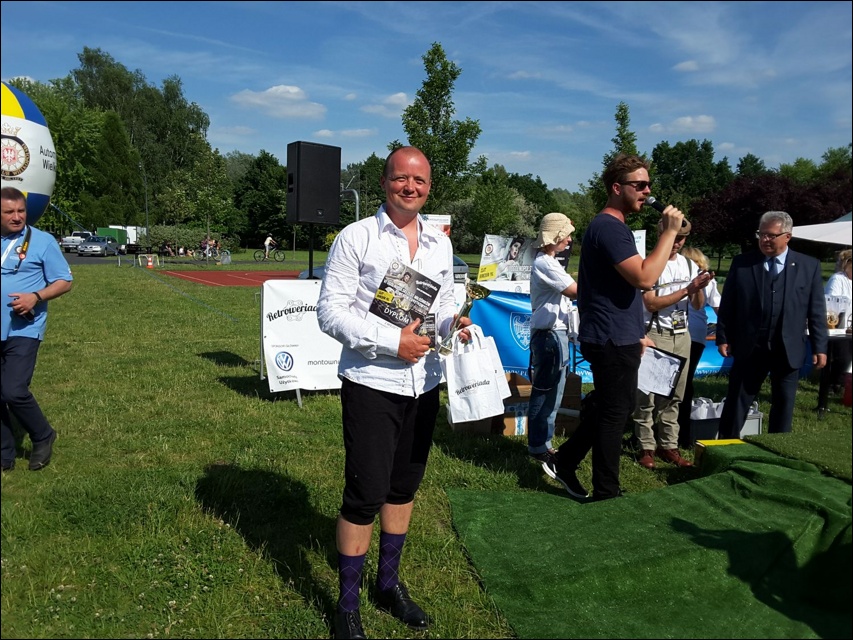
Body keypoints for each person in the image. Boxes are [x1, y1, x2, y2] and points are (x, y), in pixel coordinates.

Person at [316, 146, 471, 640]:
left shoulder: (439, 244)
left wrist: (452, 324)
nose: (410, 187)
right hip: (372, 382)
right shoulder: (357, 237)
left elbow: (443, 303)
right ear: (384, 182)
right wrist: (391, 342)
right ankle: (347, 607)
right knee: (365, 495)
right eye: (401, 178)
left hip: (424, 382)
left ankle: (387, 584)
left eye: (419, 181)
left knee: (403, 488)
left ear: (429, 187)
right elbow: (330, 313)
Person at [552, 153, 690, 502]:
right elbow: (645, 278)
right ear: (617, 188)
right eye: (639, 185)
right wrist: (669, 232)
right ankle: (606, 492)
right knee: (615, 413)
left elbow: (621, 288)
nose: (647, 191)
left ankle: (565, 461)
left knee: (613, 406)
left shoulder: (614, 227)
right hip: (610, 337)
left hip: (620, 334)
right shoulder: (609, 227)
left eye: (648, 185)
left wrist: (636, 334)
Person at [716, 211, 828, 438]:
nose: (765, 240)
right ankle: (726, 446)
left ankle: (777, 450)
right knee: (737, 402)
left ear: (787, 236)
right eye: (761, 234)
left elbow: (816, 310)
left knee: (784, 405)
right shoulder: (743, 263)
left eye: (771, 235)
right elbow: (728, 304)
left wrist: (820, 347)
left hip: (788, 348)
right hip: (750, 346)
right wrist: (723, 336)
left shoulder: (809, 266)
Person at [1, 187, 73, 472]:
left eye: (21, 211)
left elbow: (64, 281)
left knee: (12, 390)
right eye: (9, 212)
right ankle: (5, 455)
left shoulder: (41, 241)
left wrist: (36, 296)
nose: (17, 217)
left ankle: (43, 435)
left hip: (23, 328)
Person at [632, 219, 711, 469]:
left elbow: (698, 305)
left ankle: (669, 445)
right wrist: (687, 290)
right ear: (660, 234)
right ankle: (645, 446)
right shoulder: (651, 264)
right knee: (647, 395)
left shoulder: (688, 265)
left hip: (682, 335)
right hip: (655, 333)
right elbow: (650, 303)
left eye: (681, 239)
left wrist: (698, 288)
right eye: (673, 237)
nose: (676, 243)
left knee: (675, 395)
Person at [526, 212, 577, 478]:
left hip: (554, 334)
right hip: (550, 335)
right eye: (566, 235)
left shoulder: (549, 261)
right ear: (555, 236)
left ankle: (542, 444)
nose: (569, 240)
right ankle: (538, 446)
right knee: (546, 392)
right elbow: (574, 290)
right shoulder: (545, 263)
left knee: (552, 393)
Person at [677, 246, 721, 447]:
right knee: (685, 382)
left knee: (679, 383)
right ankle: (682, 433)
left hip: (686, 332)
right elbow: (719, 307)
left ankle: (681, 432)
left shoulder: (695, 278)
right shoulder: (707, 279)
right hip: (696, 334)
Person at [824, 248, 852, 393]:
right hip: (840, 327)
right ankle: (832, 382)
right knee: (843, 358)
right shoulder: (838, 279)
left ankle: (841, 383)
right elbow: (831, 303)